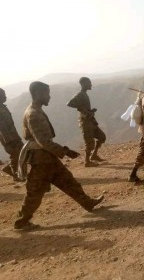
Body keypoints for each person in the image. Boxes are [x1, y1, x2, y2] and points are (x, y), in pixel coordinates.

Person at [14, 81, 104, 231]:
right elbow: (43, 142)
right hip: (41, 159)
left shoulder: (36, 110)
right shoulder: (33, 114)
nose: (49, 97)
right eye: (46, 93)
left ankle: (88, 203)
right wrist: (65, 151)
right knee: (35, 192)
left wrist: (62, 151)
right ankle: (21, 222)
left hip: (47, 158)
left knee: (69, 181)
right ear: (37, 94)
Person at [67, 77, 106, 167]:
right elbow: (69, 103)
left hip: (90, 121)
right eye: (89, 83)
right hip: (85, 122)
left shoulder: (84, 94)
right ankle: (87, 161)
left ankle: (94, 155)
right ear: (84, 84)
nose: (91, 84)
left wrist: (89, 111)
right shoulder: (80, 94)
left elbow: (82, 106)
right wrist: (82, 109)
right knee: (89, 142)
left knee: (102, 137)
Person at [0, 88, 24, 182]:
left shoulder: (3, 107)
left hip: (12, 135)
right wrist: (9, 140)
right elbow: (2, 127)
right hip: (9, 138)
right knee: (15, 154)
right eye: (3, 94)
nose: (5, 96)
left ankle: (14, 171)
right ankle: (15, 174)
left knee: (21, 152)